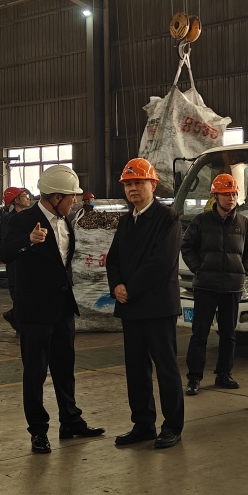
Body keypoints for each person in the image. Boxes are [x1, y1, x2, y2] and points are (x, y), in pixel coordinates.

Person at [0, 165, 103, 454]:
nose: (76, 201)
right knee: (35, 372)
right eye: (72, 197)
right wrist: (28, 241)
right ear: (56, 197)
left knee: (64, 368)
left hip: (62, 309)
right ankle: (38, 431)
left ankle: (70, 421)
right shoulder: (23, 221)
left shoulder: (65, 221)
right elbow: (5, 253)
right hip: (34, 311)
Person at [105, 158, 185, 450]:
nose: (133, 188)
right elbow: (113, 258)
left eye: (139, 182)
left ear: (153, 184)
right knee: (136, 369)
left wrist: (130, 288)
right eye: (128, 184)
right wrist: (116, 285)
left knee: (165, 368)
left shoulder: (168, 219)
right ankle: (143, 423)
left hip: (157, 306)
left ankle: (172, 426)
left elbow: (161, 262)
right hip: (131, 306)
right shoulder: (127, 220)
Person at [182, 173, 248, 395]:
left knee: (228, 334)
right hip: (205, 286)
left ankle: (224, 374)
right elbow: (187, 246)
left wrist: (244, 270)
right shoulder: (201, 222)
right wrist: (198, 268)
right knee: (199, 334)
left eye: (233, 194)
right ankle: (194, 378)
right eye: (226, 194)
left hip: (232, 287)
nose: (230, 198)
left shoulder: (244, 224)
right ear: (215, 196)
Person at [0, 187, 31, 332]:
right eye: (24, 196)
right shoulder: (8, 220)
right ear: (16, 200)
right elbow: (6, 245)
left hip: (26, 259)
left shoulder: (28, 217)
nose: (28, 198)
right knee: (18, 294)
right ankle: (16, 319)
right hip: (14, 261)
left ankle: (15, 318)